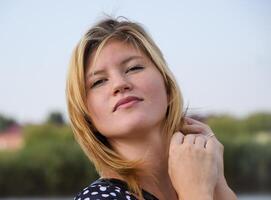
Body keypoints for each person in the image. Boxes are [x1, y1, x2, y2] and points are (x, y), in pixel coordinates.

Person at [66, 17, 237, 200]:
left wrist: (218, 183)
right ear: (86, 116)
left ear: (168, 87)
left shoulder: (204, 180)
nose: (120, 84)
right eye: (99, 81)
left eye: (133, 68)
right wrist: (196, 192)